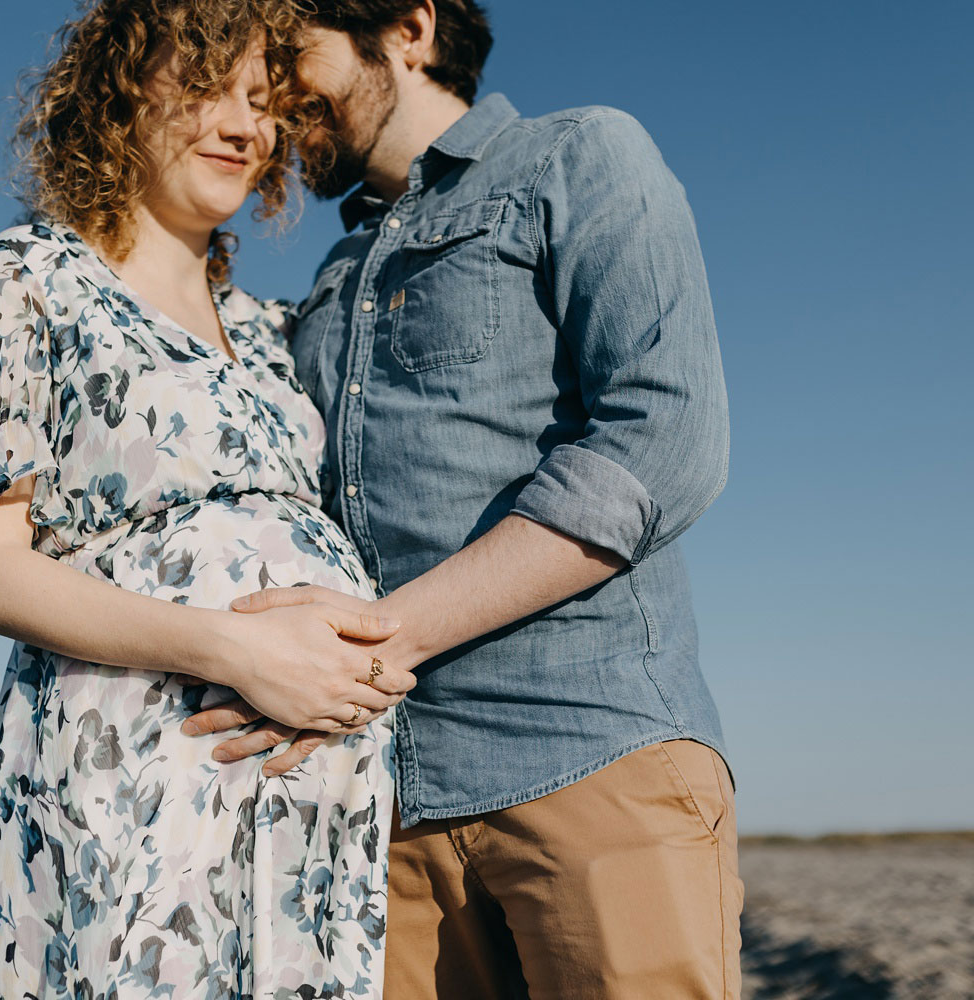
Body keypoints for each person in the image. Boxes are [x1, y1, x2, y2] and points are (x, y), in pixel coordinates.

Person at [185, 1, 745, 997]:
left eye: (289, 55)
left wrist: (388, 635)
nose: (269, 96)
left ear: (407, 27)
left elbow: (663, 442)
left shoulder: (578, 156)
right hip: (382, 802)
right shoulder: (330, 278)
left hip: (588, 752)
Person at [0, 1, 417, 996]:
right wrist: (236, 650)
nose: (242, 126)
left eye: (266, 104)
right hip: (124, 798)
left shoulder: (275, 334)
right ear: (124, 84)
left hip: (308, 834)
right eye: (208, 86)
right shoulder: (23, 280)